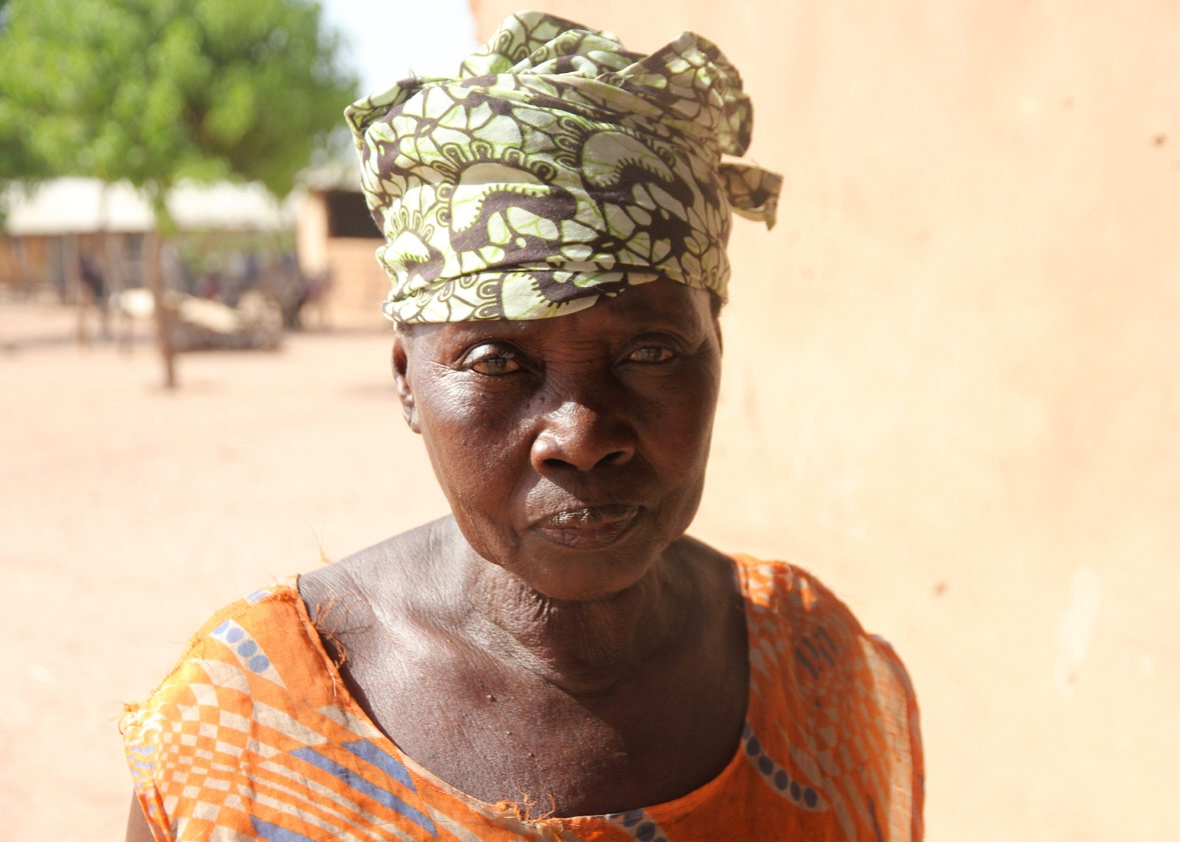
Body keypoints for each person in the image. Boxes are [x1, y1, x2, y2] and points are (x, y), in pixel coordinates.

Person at [122, 11, 923, 841]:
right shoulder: (245, 729)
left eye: (650, 351)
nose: (579, 436)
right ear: (407, 383)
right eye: (499, 361)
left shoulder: (822, 671)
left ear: (715, 352)